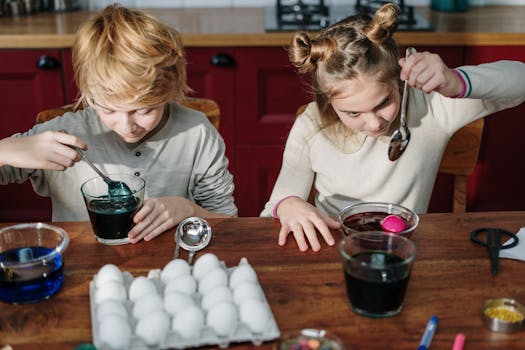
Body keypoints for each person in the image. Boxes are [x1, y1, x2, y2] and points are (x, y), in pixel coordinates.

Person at [260, 3, 525, 252]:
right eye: (353, 113)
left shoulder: (430, 106)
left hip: (404, 249)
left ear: (398, 80)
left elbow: (520, 81)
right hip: (333, 249)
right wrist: (289, 205)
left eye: (384, 102)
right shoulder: (311, 126)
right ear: (328, 101)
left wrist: (456, 81)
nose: (375, 123)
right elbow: (275, 205)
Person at [0, 4, 237, 243]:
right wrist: (6, 150)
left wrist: (189, 210)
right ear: (87, 93)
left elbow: (229, 224)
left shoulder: (196, 133)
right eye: (108, 109)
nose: (127, 126)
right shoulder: (63, 133)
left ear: (171, 91)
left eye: (144, 110)